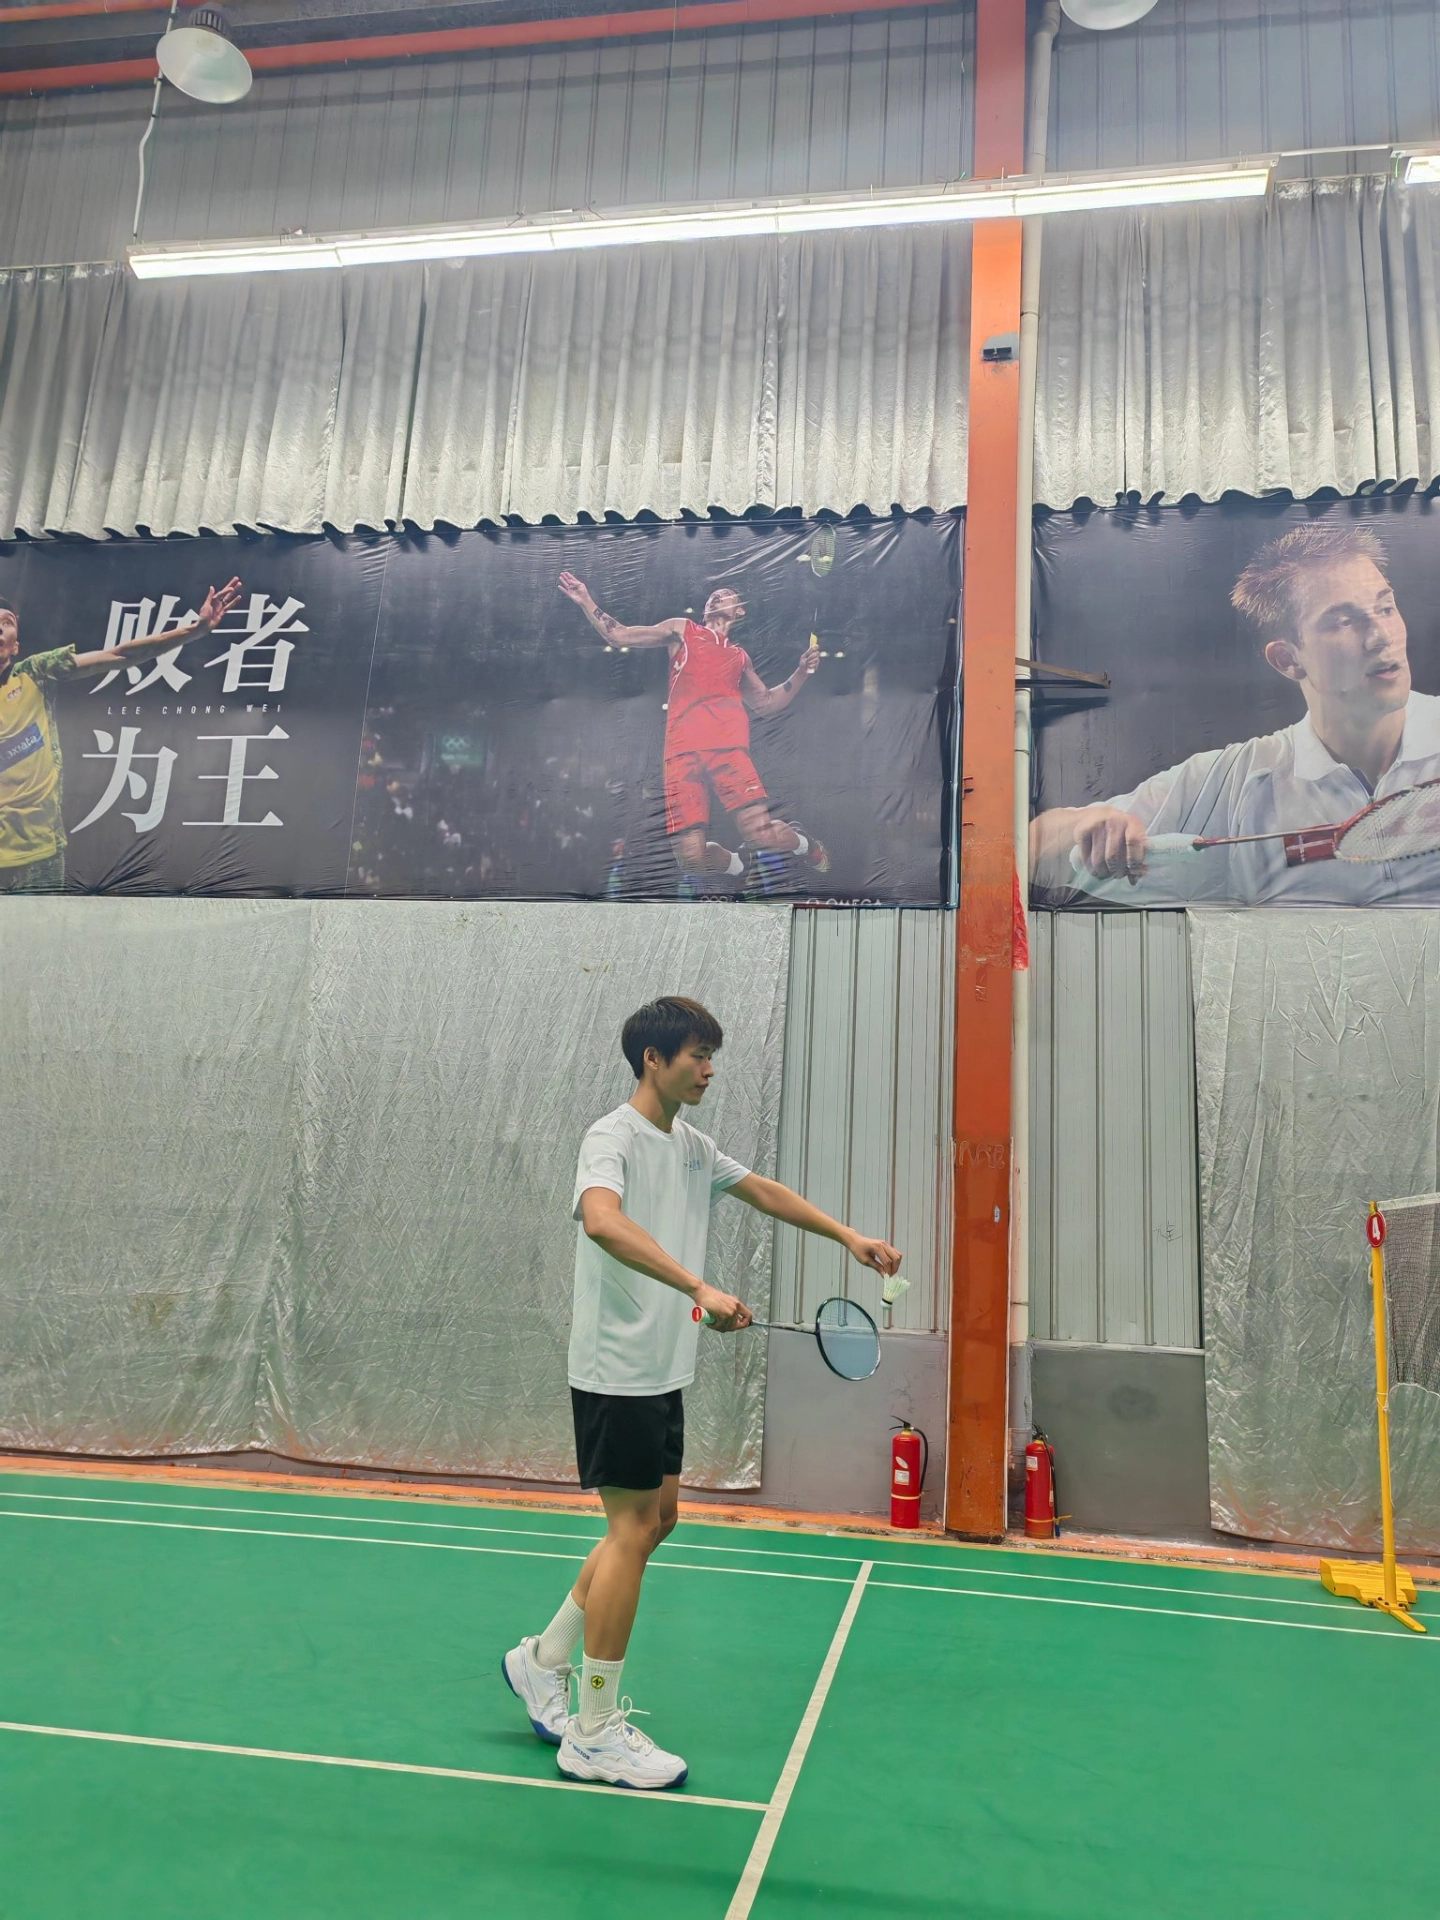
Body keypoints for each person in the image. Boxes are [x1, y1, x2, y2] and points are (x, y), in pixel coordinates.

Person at [502, 994, 901, 1791]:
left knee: (658, 1522)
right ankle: (593, 1732)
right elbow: (602, 1220)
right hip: (617, 1368)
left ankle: (543, 1658)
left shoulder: (691, 1145)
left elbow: (763, 1190)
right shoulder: (612, 1137)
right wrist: (698, 1286)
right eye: (697, 1055)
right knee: (628, 1532)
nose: (709, 1069)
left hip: (663, 1367)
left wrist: (848, 1237)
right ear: (653, 1059)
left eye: (712, 1055)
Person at [1029, 525, 1440, 905]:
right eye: (1344, 621)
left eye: (1386, 608)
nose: (1381, 637)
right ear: (1288, 660)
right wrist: (1093, 825)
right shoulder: (1239, 780)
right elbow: (1029, 846)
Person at [557, 573, 829, 891]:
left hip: (727, 751)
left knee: (761, 833)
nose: (716, 597)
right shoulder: (682, 630)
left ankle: (804, 844)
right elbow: (618, 635)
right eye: (712, 595)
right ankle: (740, 864)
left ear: (739, 611)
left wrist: (801, 671)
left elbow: (766, 704)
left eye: (725, 594)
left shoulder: (739, 657)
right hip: (680, 755)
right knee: (690, 859)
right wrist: (586, 600)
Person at [0, 579, 243, 894]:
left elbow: (119, 656)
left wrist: (195, 630)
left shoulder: (35, 673)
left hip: (39, 854)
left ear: (16, 645)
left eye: (6, 622)